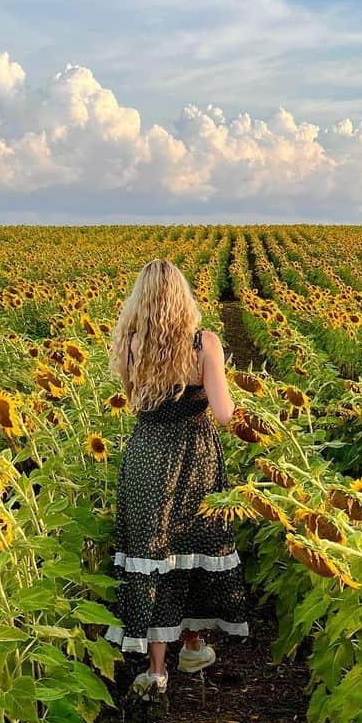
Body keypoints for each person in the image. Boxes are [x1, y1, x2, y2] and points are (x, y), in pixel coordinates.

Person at [105, 259, 250, 697]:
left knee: (153, 553)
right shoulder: (205, 344)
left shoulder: (131, 345)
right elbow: (224, 414)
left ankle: (156, 672)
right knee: (193, 546)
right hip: (194, 455)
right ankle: (192, 645)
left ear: (140, 301)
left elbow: (136, 402)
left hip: (148, 456)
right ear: (183, 299)